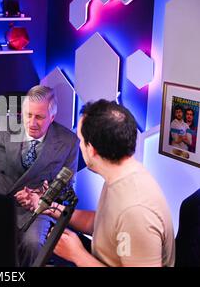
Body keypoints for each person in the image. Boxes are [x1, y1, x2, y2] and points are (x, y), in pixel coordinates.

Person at [17, 99, 175, 267]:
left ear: (91, 149)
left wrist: (77, 255)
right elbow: (101, 224)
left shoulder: (136, 211)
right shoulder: (119, 174)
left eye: (80, 140)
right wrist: (50, 208)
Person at [0, 85, 79, 266]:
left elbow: (68, 186)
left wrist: (43, 196)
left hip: (37, 208)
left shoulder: (68, 142)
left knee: (33, 244)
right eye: (28, 115)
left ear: (52, 117)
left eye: (40, 117)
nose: (32, 123)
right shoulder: (2, 127)